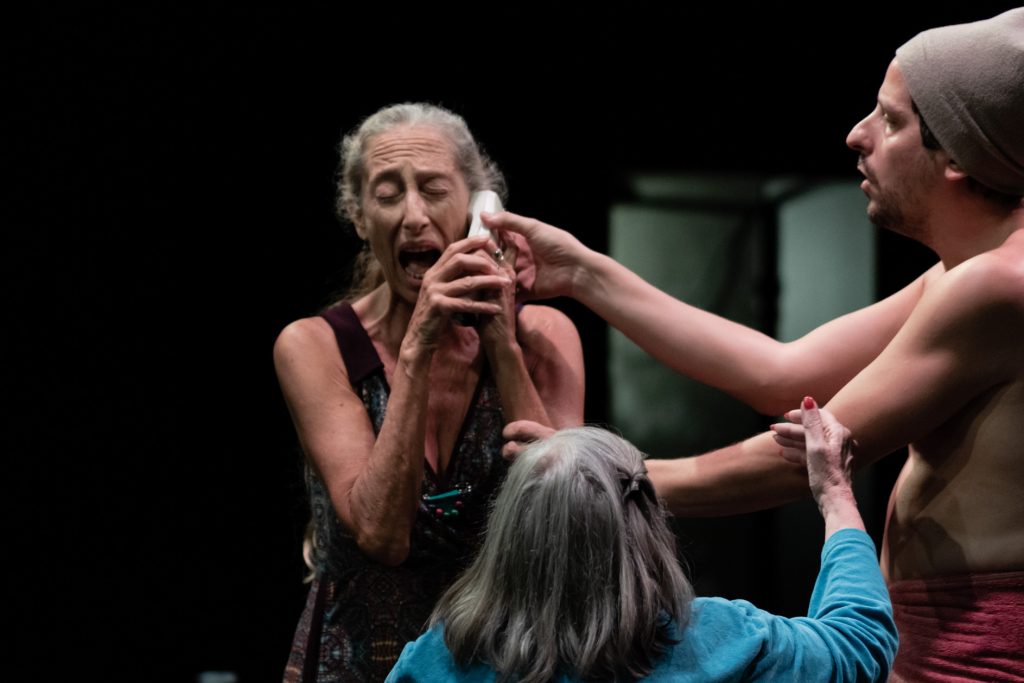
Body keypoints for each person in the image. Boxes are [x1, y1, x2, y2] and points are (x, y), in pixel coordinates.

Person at [488, 9, 1024, 681]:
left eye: (890, 121)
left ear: (959, 157)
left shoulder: (996, 285)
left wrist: (600, 479)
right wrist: (581, 271)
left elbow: (806, 461)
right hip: (938, 636)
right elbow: (782, 372)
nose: (857, 134)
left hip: (978, 654)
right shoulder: (964, 273)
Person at [274, 103, 585, 682]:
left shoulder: (544, 337)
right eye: (387, 194)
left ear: (477, 209)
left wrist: (502, 343)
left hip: (506, 663)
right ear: (360, 217)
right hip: (359, 665)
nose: (414, 216)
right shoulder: (314, 346)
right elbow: (382, 536)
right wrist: (418, 344)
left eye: (435, 190)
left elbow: (567, 522)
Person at [386, 400, 898, 682]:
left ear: (507, 529)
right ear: (648, 520)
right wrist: (835, 494)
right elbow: (859, 644)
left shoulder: (434, 662)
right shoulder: (723, 643)